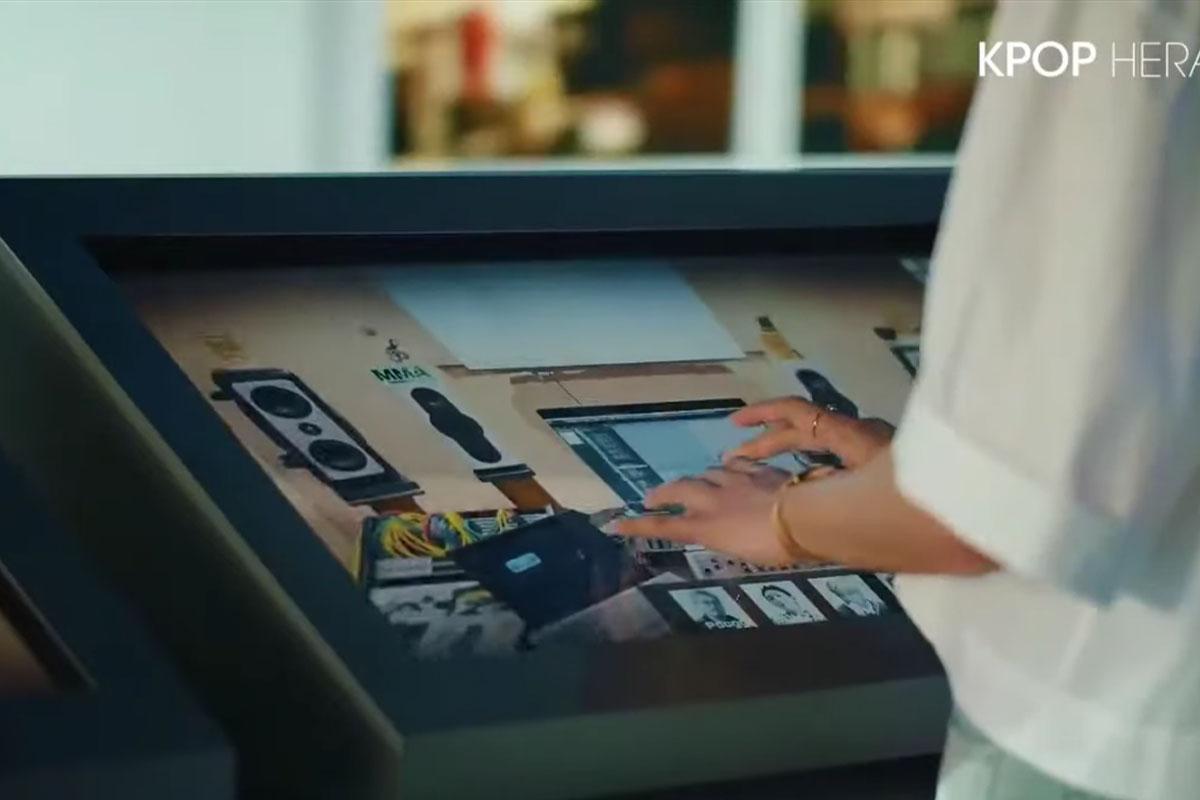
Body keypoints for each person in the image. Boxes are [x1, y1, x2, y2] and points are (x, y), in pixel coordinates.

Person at [619, 3, 1200, 798]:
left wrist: (785, 515)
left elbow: (977, 521)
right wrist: (919, 466)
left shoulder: (1103, 19)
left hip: (1104, 737)